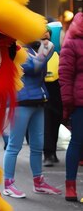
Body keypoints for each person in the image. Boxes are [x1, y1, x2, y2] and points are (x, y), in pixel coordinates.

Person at [2, 30, 62, 198]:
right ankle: (8, 184)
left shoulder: (33, 49)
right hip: (21, 101)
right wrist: (47, 49)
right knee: (14, 145)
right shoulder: (16, 49)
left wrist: (45, 49)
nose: (44, 35)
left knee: (37, 145)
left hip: (37, 100)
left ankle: (39, 182)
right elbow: (34, 67)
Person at [59, 11, 83, 202]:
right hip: (79, 101)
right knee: (77, 141)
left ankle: (71, 187)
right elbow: (65, 76)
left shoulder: (70, 43)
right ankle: (70, 186)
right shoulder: (72, 44)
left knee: (76, 142)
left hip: (77, 99)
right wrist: (67, 104)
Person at [43, 25, 62, 166]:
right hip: (42, 92)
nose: (45, 42)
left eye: (48, 39)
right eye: (43, 39)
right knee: (47, 124)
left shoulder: (57, 55)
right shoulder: (32, 54)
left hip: (56, 91)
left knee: (54, 122)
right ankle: (47, 153)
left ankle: (52, 152)